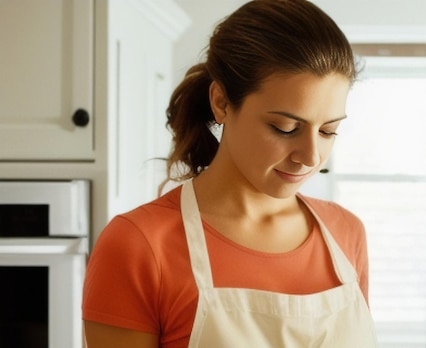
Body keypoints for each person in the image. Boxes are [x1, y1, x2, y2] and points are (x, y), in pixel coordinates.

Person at [82, 0, 377, 347]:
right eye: (284, 127)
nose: (310, 156)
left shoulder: (347, 235)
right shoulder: (138, 246)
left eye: (328, 131)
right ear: (221, 102)